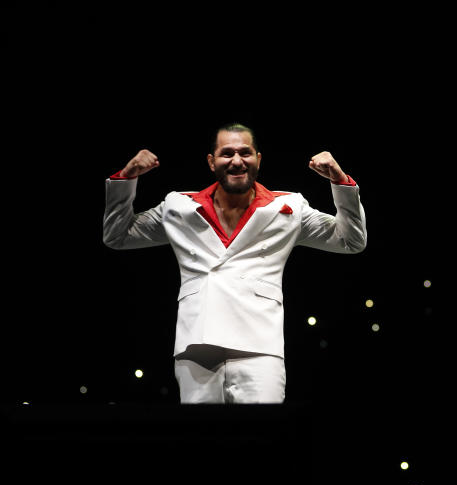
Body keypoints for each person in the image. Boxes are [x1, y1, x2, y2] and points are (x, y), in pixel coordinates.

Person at [103, 124, 366, 403]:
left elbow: (351, 240)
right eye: (226, 153)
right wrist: (127, 177)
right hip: (197, 345)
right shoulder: (178, 206)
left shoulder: (289, 207)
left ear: (258, 159)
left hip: (260, 346)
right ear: (211, 161)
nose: (237, 161)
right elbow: (117, 236)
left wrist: (339, 180)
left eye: (245, 153)